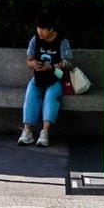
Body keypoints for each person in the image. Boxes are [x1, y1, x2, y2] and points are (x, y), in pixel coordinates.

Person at [19, 14, 71, 147]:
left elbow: (68, 63)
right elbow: (28, 61)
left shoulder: (62, 40)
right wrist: (33, 64)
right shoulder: (35, 39)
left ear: (51, 29)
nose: (40, 32)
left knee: (51, 96)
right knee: (31, 94)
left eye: (43, 29)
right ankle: (27, 131)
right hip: (38, 78)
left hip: (55, 79)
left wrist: (52, 66)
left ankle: (45, 132)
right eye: (38, 28)